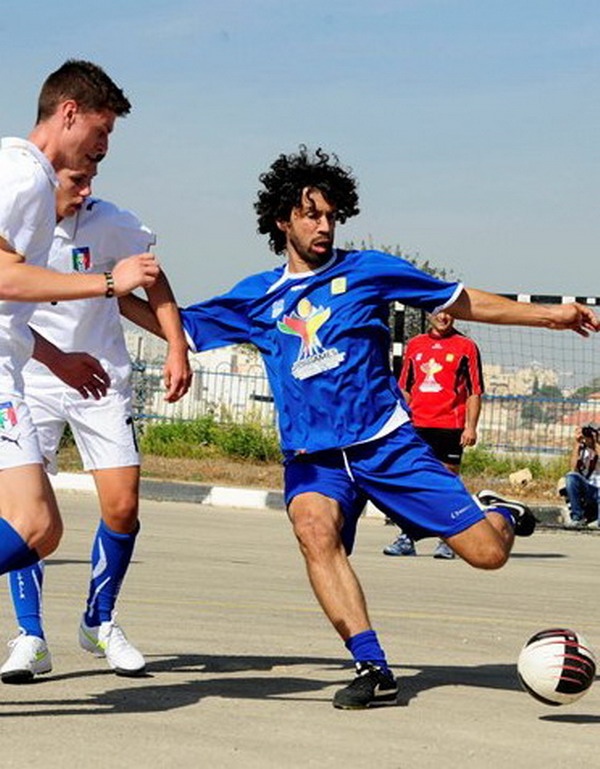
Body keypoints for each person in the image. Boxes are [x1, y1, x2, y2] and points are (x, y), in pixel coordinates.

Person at [124, 147, 598, 710]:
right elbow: (178, 325)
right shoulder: (257, 296)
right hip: (313, 457)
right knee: (313, 530)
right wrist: (104, 295)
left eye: (330, 216)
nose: (323, 226)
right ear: (282, 220)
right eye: (310, 215)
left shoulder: (369, 270)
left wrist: (551, 314)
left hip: (386, 445)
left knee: (488, 554)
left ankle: (501, 513)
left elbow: (461, 300)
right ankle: (373, 666)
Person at [0, 167, 191, 682]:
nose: (85, 190)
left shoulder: (110, 223)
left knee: (123, 506)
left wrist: (176, 344)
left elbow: (153, 279)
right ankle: (31, 635)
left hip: (101, 379)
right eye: (76, 179)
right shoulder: (15, 223)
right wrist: (56, 358)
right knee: (25, 517)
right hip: (29, 380)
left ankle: (99, 621)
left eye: (91, 178)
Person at [0, 59, 159, 648]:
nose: (104, 149)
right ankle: (31, 635)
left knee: (43, 529)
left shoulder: (16, 169)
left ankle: (88, 623)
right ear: (69, 113)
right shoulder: (25, 178)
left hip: (19, 365)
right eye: (102, 132)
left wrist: (52, 355)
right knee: (36, 524)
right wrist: (108, 284)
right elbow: (4, 279)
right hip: (6, 380)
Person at [384, 311, 484, 559]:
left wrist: (470, 427)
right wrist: (398, 420)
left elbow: (474, 391)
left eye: (450, 312)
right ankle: (407, 536)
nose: (444, 317)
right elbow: (405, 387)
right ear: (430, 315)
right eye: (439, 311)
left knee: (447, 484)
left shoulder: (466, 347)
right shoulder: (416, 345)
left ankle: (449, 540)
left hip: (450, 426)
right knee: (412, 481)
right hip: (417, 424)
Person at [560, 424, 600, 529]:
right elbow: (573, 468)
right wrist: (577, 444)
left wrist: (596, 444)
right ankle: (577, 518)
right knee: (570, 477)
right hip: (588, 488)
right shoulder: (582, 450)